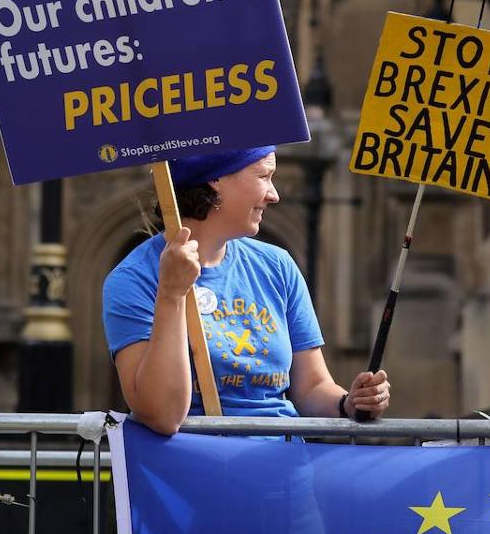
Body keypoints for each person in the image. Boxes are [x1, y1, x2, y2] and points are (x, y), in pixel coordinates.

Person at [102, 145, 391, 434]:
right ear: (217, 179)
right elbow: (162, 415)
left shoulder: (277, 265)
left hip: (282, 466)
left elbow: (312, 386)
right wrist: (170, 294)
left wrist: (348, 403)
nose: (274, 194)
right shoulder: (133, 278)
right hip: (190, 468)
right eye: (264, 176)